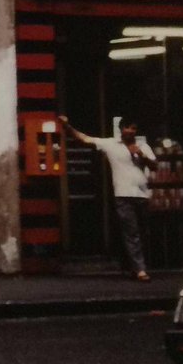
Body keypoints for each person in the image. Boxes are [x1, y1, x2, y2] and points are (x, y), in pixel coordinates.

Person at [60, 115, 155, 281]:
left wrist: (141, 155)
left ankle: (133, 265)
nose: (130, 131)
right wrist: (67, 127)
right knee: (132, 233)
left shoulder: (142, 146)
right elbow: (85, 139)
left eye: (133, 128)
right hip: (123, 194)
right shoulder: (111, 144)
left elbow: (155, 165)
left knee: (143, 232)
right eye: (127, 128)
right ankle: (140, 269)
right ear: (121, 129)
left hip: (142, 194)